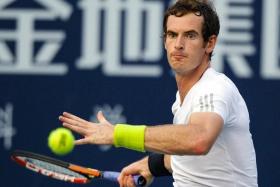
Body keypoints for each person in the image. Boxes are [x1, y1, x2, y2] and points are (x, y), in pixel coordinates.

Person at [59, 0, 258, 186]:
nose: (178, 44)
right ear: (165, 41)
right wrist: (152, 165)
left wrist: (118, 134)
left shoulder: (214, 88)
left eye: (190, 35)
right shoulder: (184, 99)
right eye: (172, 35)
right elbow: (196, 154)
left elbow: (198, 140)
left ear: (210, 43)